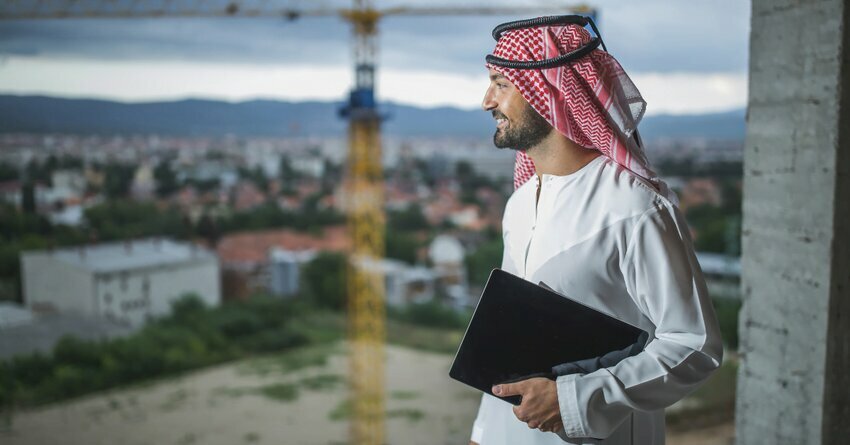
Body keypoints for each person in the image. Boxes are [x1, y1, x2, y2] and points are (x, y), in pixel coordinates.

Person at [468, 16, 723, 445]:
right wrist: (483, 433)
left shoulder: (635, 207)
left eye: (501, 83)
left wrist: (574, 398)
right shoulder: (519, 204)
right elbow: (508, 339)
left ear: (547, 92)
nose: (486, 100)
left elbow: (694, 345)